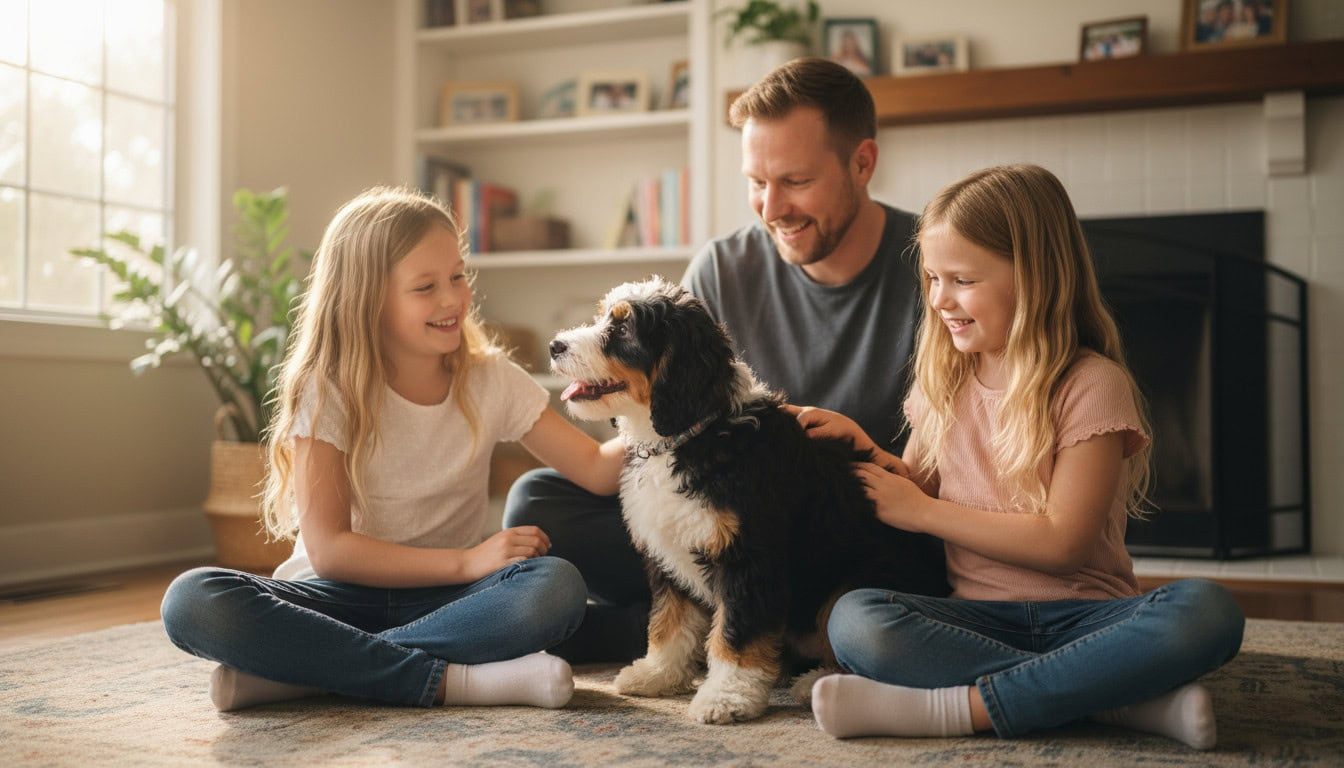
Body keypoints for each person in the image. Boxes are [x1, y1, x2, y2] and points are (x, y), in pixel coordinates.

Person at [789, 164, 1244, 750]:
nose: (940, 299)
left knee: (1207, 612)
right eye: (931, 277)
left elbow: (1063, 544)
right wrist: (866, 449)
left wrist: (922, 512)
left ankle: (957, 708)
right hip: (976, 618)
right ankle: (1119, 702)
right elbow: (920, 488)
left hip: (1090, 618)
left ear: (1034, 278)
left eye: (963, 280)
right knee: (855, 620)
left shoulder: (1091, 384)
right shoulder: (943, 381)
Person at [504, 57, 931, 662]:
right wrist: (507, 398)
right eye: (757, 181)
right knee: (537, 505)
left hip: (842, 533)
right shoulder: (721, 268)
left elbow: (949, 477)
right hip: (720, 520)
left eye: (796, 181)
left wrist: (871, 450)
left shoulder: (936, 273)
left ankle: (686, 631)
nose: (771, 207)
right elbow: (657, 425)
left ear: (863, 162)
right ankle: (719, 626)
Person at [160, 187, 626, 712]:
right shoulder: (329, 389)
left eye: (457, 276)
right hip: (334, 598)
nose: (452, 299)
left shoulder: (492, 379)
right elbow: (331, 551)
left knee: (554, 589)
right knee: (193, 600)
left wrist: (667, 412)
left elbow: (595, 469)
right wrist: (467, 562)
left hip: (448, 605)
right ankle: (459, 682)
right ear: (368, 299)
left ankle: (307, 674)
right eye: (425, 287)